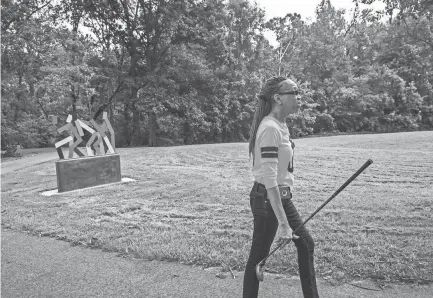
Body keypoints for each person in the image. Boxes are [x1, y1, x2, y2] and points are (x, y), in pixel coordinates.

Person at [243, 77, 319, 298]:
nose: (299, 97)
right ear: (278, 98)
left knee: (306, 244)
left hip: (280, 196)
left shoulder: (281, 125)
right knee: (259, 254)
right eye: (294, 92)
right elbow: (269, 178)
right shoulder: (269, 128)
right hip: (266, 197)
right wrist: (284, 225)